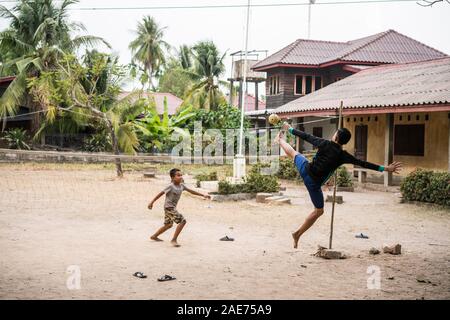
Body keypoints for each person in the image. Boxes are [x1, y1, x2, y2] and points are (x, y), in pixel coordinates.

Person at [275, 123, 402, 249]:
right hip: (313, 184)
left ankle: (280, 140)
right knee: (319, 211)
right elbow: (362, 163)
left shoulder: (324, 143)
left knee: (293, 153)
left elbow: (306, 136)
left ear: (336, 137)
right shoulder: (343, 155)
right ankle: (297, 234)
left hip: (305, 169)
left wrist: (290, 129)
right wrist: (385, 168)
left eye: (335, 133)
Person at [148, 168, 211, 247]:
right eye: (178, 175)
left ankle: (154, 236)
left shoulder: (182, 186)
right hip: (169, 207)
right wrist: (152, 202)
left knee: (168, 225)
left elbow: (191, 191)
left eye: (181, 175)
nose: (181, 177)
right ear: (172, 178)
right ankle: (174, 240)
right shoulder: (170, 186)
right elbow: (160, 193)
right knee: (182, 221)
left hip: (171, 208)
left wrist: (203, 195)